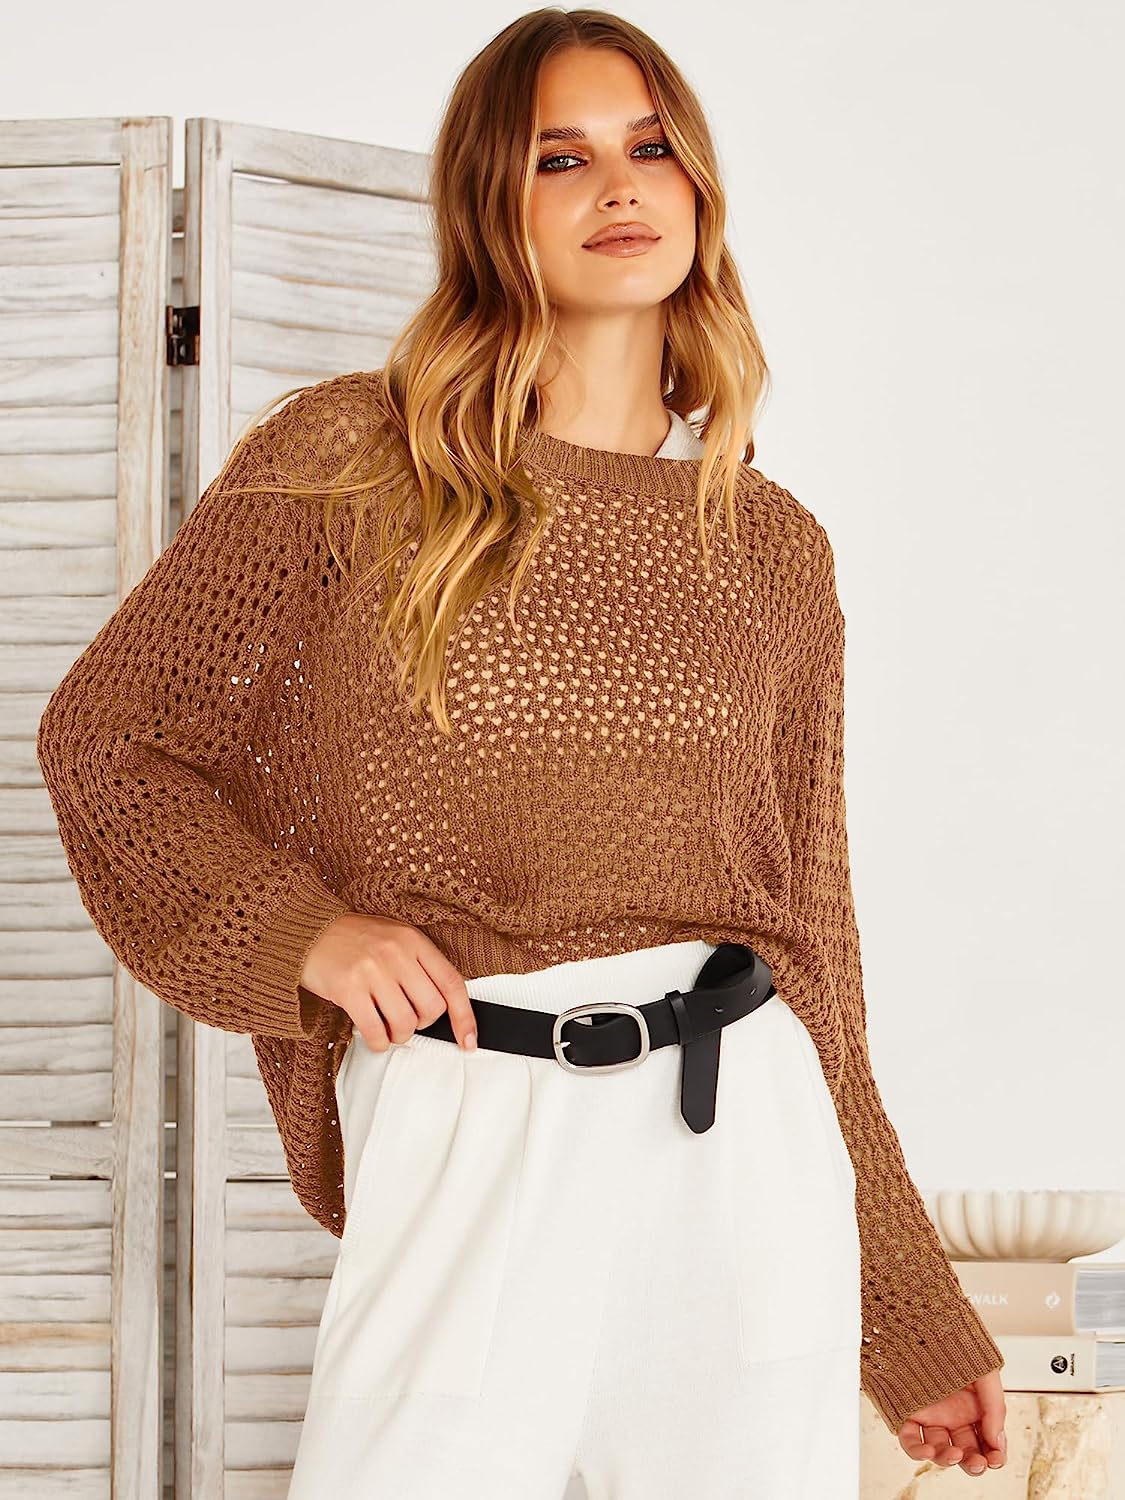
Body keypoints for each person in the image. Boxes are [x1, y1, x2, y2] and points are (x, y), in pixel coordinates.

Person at [36, 9, 1009, 1499]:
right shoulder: (355, 461)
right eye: (561, 158)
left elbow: (812, 933)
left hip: (743, 1138)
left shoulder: (771, 547)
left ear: (697, 187)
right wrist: (307, 937)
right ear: (491, 203)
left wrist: (907, 1307)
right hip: (471, 1105)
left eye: (650, 149)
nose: (619, 187)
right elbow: (112, 740)